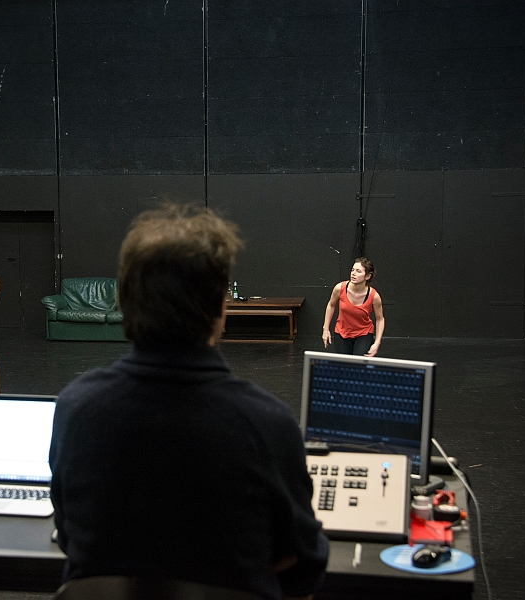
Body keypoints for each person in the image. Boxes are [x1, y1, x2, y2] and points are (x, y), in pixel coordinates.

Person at [49, 204, 329, 600]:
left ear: (125, 303)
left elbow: (69, 536)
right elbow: (302, 564)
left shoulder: (76, 409)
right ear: (220, 309)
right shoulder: (268, 424)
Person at [322, 257, 384, 356]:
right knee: (344, 364)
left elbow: (380, 319)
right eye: (352, 270)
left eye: (358, 271)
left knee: (358, 363)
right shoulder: (340, 288)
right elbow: (331, 305)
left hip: (363, 333)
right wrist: (325, 329)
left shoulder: (374, 296)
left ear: (367, 276)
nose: (353, 273)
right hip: (342, 332)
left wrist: (377, 343)